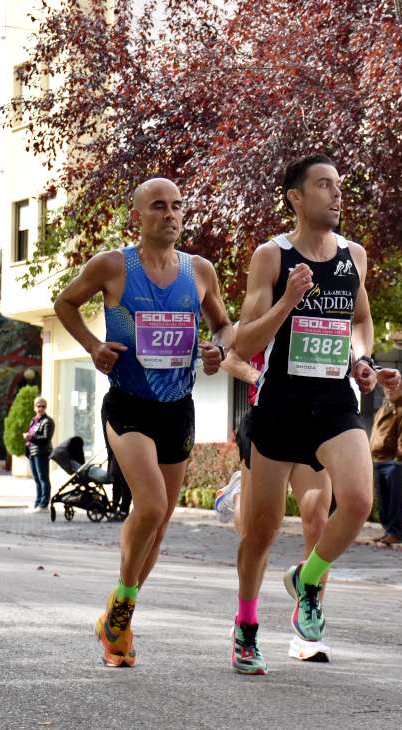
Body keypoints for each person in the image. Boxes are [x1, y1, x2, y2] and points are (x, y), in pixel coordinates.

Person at [52, 176, 233, 668]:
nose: (170, 214)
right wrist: (92, 346)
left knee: (161, 521)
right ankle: (125, 601)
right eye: (158, 206)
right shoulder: (112, 266)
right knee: (149, 506)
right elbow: (64, 303)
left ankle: (118, 621)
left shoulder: (200, 271)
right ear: (137, 215)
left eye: (177, 206)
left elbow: (223, 323)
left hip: (178, 407)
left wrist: (219, 347)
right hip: (128, 403)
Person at [231, 154, 399, 675]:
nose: (336, 193)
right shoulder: (271, 256)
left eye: (339, 185)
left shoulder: (354, 256)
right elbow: (243, 339)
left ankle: (308, 580)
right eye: (324, 185)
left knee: (357, 501)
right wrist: (287, 302)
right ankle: (246, 626)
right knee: (260, 532)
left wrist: (363, 360)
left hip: (332, 401)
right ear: (296, 197)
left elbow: (361, 320)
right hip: (279, 403)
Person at [214, 344, 335, 667]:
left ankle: (307, 633)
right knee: (260, 529)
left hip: (314, 418)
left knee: (319, 520)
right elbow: (230, 354)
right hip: (268, 419)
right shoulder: (270, 299)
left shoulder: (323, 306)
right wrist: (258, 376)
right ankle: (240, 494)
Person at [371, 371, 402, 546]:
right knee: (384, 500)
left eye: (394, 386)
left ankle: (395, 532)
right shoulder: (383, 408)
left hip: (391, 462)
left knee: (394, 500)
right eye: (387, 387)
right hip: (378, 460)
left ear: (401, 388)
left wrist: (398, 459)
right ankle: (388, 531)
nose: (390, 390)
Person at [24, 397, 55, 513]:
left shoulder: (48, 421)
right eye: (38, 406)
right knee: (37, 479)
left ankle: (44, 504)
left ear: (46, 407)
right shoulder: (34, 420)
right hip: (32, 452)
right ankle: (37, 503)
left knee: (43, 478)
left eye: (43, 406)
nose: (40, 408)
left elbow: (46, 439)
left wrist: (30, 437)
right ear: (34, 407)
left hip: (41, 453)